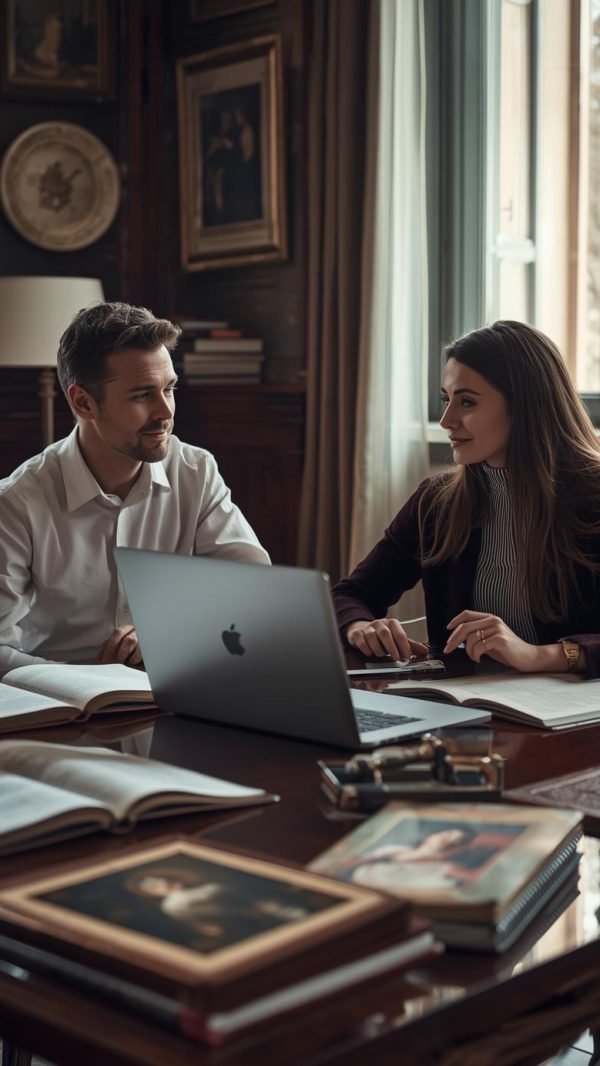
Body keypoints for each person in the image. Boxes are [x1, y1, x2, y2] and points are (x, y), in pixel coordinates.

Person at [0, 301, 269, 678]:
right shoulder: (15, 504)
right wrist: (90, 679)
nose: (165, 412)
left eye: (169, 389)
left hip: (178, 687)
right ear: (83, 402)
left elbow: (253, 590)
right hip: (60, 710)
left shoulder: (196, 471)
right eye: (143, 395)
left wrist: (168, 634)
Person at [333, 320, 600, 676]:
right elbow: (350, 594)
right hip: (467, 711)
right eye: (446, 400)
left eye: (467, 402)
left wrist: (538, 655)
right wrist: (361, 627)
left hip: (572, 718)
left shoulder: (593, 496)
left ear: (524, 405)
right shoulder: (436, 502)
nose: (447, 420)